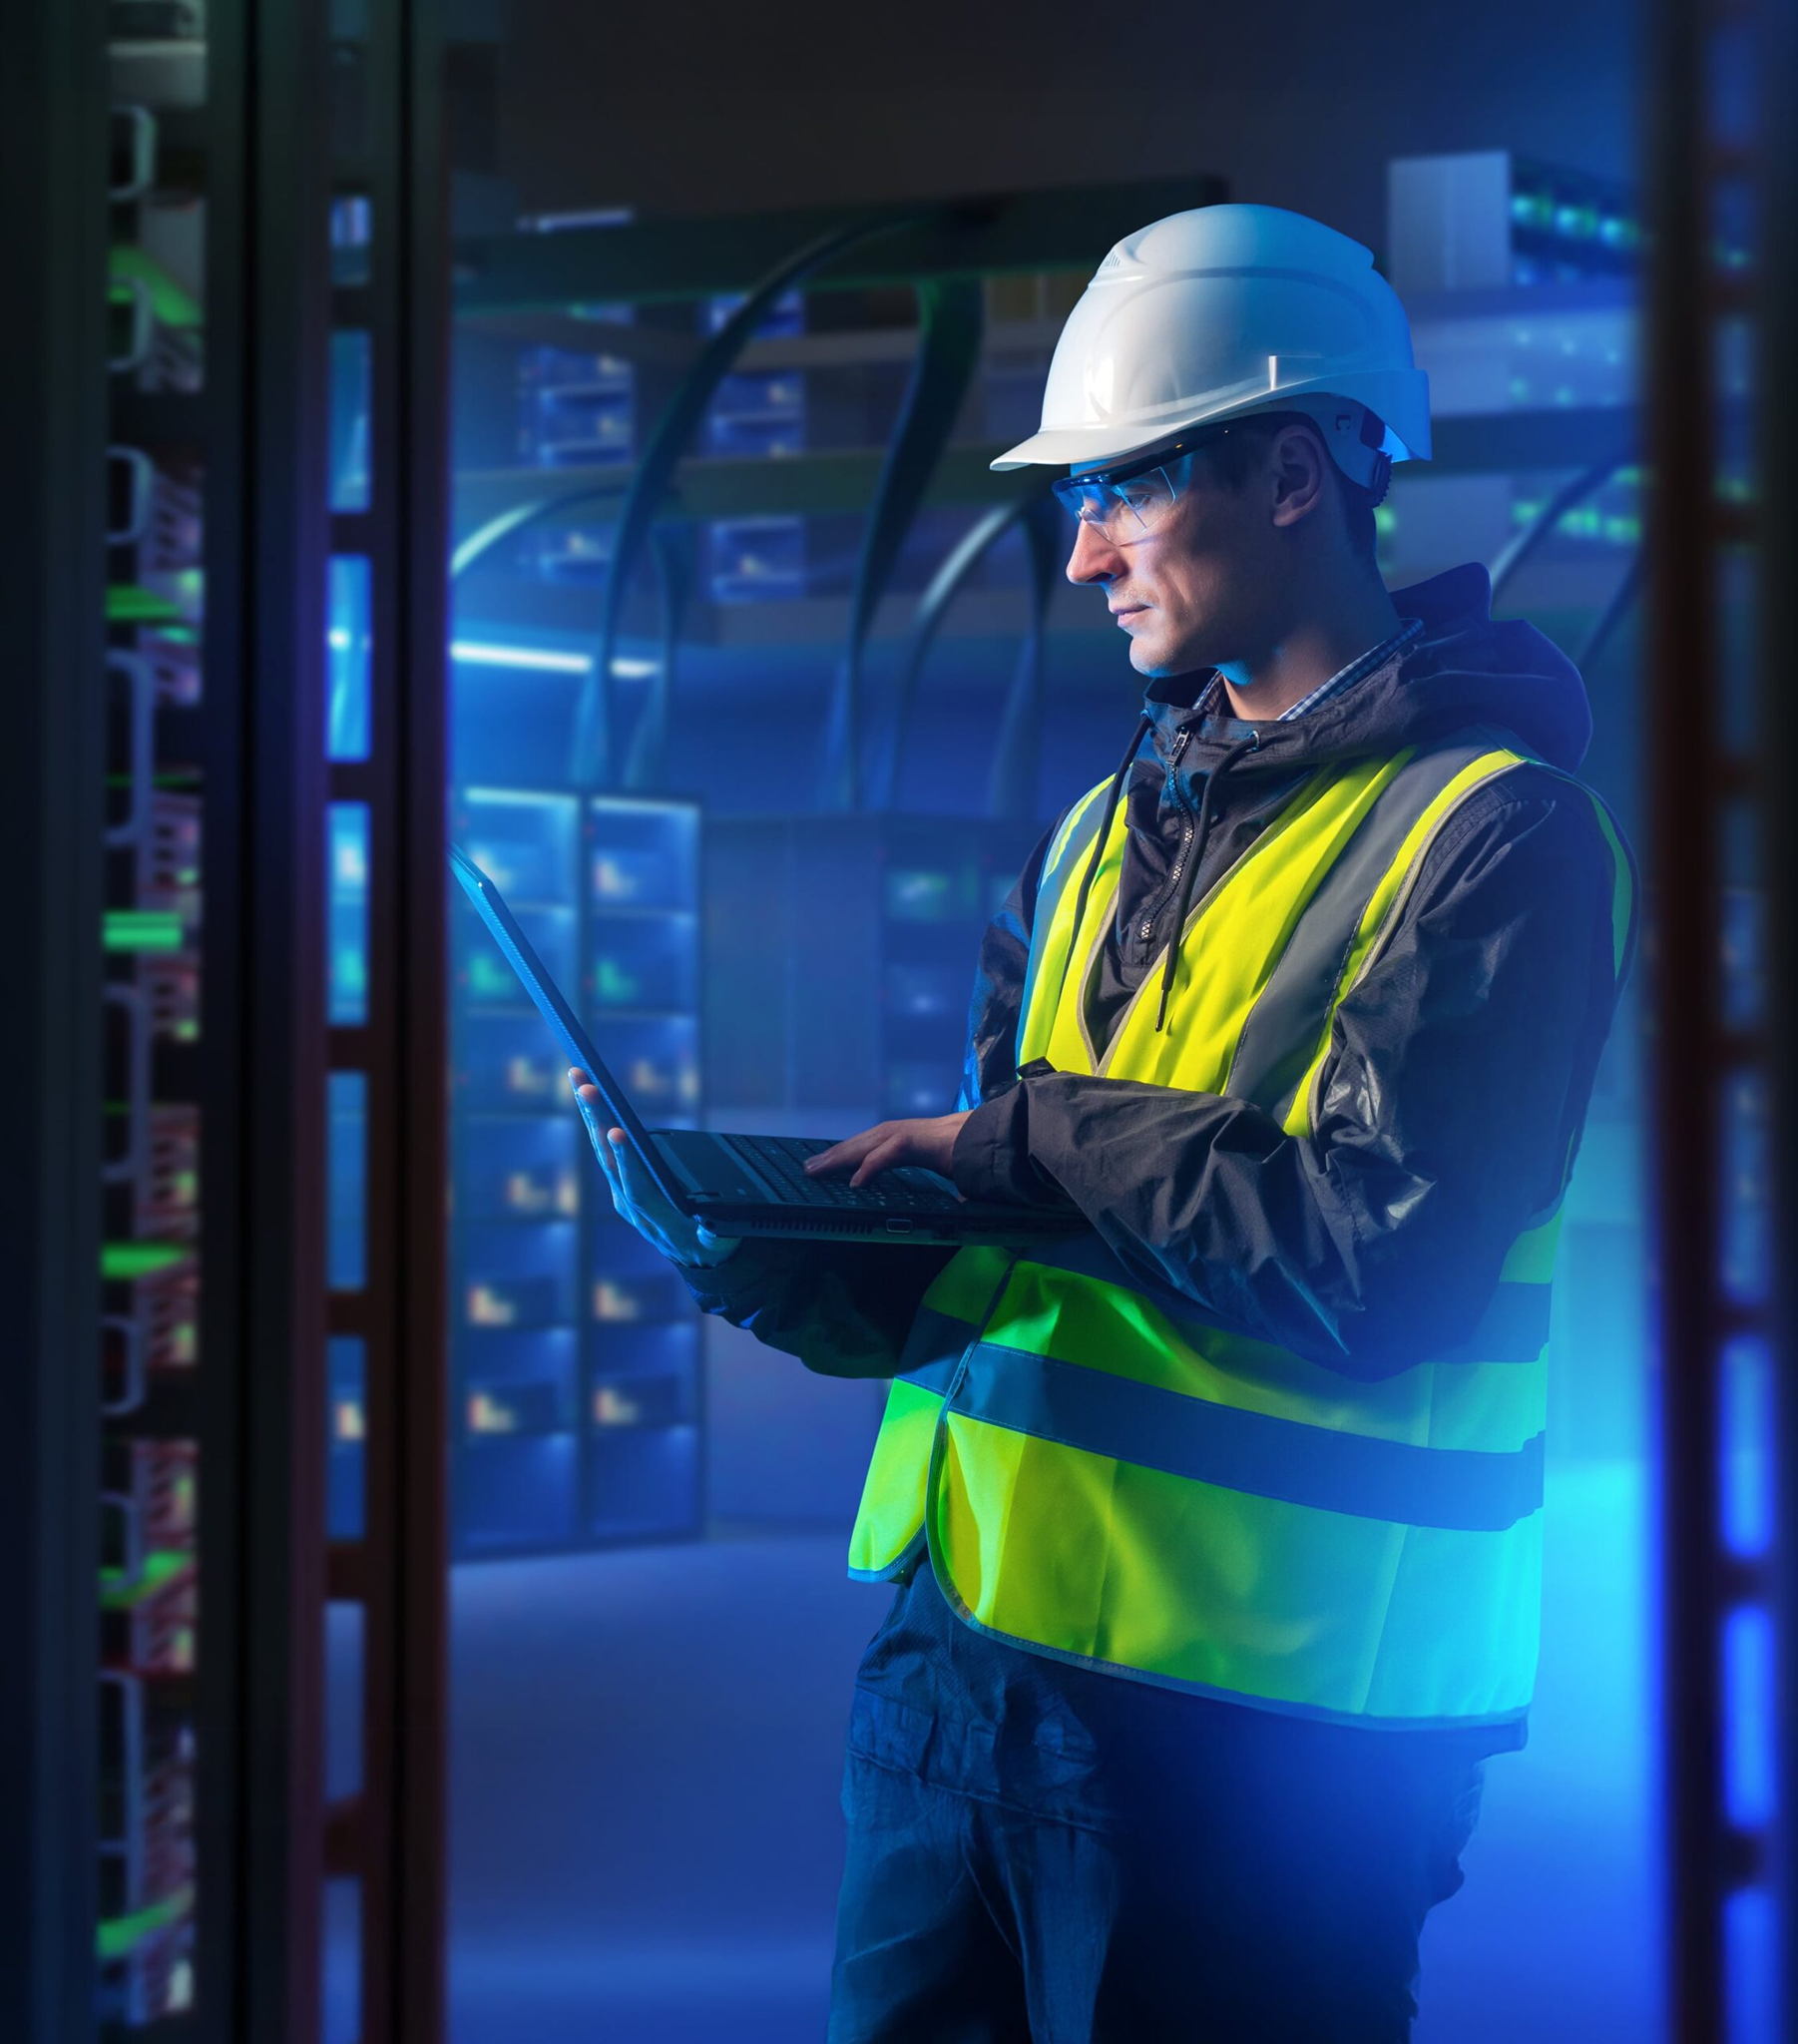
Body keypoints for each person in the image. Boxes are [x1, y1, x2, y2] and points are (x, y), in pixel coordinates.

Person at [570, 203, 1639, 2042]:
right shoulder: (1096, 832)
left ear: (1293, 473)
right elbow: (1027, 1241)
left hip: (1256, 1742)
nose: (1080, 559)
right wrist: (810, 1269)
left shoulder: (1494, 834)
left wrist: (1038, 1140)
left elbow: (1375, 1269)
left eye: (1121, 495)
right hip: (953, 1673)